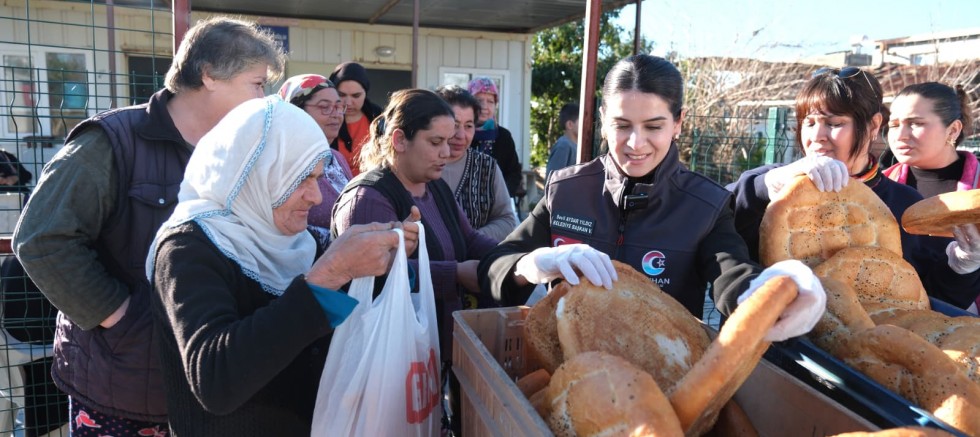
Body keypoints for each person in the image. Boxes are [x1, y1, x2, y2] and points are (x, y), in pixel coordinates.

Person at [13, 17, 285, 435]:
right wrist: (118, 317)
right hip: (121, 391)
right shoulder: (110, 142)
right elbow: (41, 238)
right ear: (210, 75)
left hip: (208, 387)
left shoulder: (238, 152)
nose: (263, 97)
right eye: (256, 83)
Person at [479, 55, 825, 338]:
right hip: (566, 368)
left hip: (660, 380)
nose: (635, 143)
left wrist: (771, 293)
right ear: (603, 121)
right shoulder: (567, 190)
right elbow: (493, 267)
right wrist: (534, 263)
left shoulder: (704, 204)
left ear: (678, 123)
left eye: (654, 127)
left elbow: (732, 277)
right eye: (622, 125)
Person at [147, 97, 418, 435]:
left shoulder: (298, 242)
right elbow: (216, 380)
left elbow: (336, 316)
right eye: (301, 179)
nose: (316, 197)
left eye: (318, 178)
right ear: (257, 174)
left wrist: (384, 262)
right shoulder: (187, 249)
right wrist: (327, 276)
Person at [728, 68, 980, 309]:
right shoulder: (776, 183)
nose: (817, 136)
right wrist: (762, 187)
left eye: (834, 123)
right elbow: (716, 222)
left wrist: (960, 268)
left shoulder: (903, 203)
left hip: (865, 345)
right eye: (810, 122)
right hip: (777, 344)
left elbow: (928, 301)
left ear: (872, 126)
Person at [332, 89, 500, 434]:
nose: (446, 151)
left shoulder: (432, 185)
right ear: (399, 140)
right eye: (435, 141)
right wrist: (455, 274)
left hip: (426, 354)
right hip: (386, 362)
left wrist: (513, 260)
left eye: (449, 140)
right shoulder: (368, 198)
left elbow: (467, 239)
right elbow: (373, 278)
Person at [884, 82, 980, 312]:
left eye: (915, 124)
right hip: (892, 323)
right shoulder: (880, 187)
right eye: (893, 125)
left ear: (953, 130)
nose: (901, 135)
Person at [434, 84, 518, 242]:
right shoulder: (419, 166)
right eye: (454, 125)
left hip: (475, 264)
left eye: (468, 126)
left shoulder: (487, 167)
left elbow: (507, 219)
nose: (461, 135)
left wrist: (471, 240)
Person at [278, 74, 354, 240]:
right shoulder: (288, 162)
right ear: (297, 111)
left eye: (339, 106)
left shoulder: (337, 158)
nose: (336, 115)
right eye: (325, 107)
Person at [468, 76, 524, 199]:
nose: (484, 106)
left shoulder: (503, 136)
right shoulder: (460, 134)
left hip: (496, 205)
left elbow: (514, 173)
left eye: (490, 101)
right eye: (479, 100)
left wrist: (501, 197)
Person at [329, 62, 383, 176]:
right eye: (342, 95)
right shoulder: (324, 119)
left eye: (356, 96)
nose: (348, 102)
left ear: (365, 93)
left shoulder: (379, 118)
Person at [546, 102, 580, 183]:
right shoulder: (563, 146)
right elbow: (553, 181)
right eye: (581, 120)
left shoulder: (576, 146)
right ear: (570, 125)